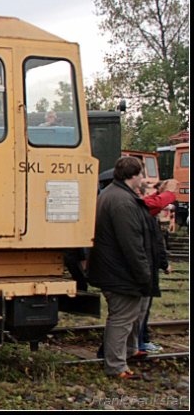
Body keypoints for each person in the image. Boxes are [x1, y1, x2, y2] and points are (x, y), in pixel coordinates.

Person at [87, 156, 153, 380]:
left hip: (110, 268)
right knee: (122, 318)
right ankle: (116, 366)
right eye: (142, 174)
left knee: (122, 317)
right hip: (119, 271)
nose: (143, 179)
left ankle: (119, 359)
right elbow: (131, 244)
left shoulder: (110, 195)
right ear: (133, 176)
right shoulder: (123, 202)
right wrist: (144, 275)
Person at [136, 179, 177, 353]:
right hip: (144, 267)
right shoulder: (143, 210)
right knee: (139, 310)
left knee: (141, 309)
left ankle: (139, 340)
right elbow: (156, 243)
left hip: (147, 265)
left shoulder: (148, 215)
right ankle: (138, 342)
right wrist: (169, 192)